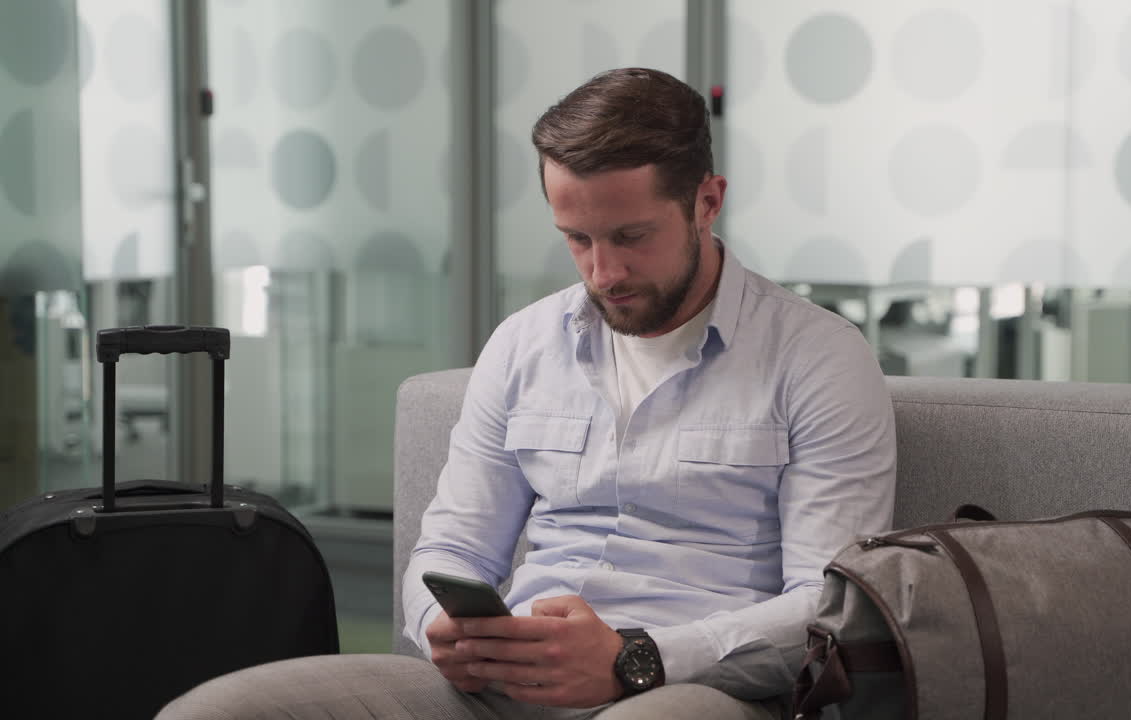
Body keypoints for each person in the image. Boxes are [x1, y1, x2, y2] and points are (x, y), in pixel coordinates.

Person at [158, 67, 895, 720]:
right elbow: (451, 545)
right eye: (577, 239)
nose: (603, 272)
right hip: (503, 686)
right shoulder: (523, 344)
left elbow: (831, 611)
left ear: (708, 201)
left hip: (691, 690)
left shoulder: (818, 358)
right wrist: (438, 625)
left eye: (631, 236)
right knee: (216, 711)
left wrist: (633, 657)